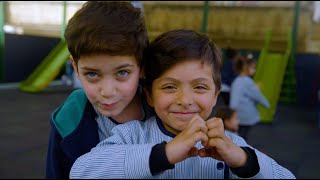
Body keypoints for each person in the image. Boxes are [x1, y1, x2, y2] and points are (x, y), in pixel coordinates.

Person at [69, 29, 295, 179]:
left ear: (216, 95)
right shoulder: (131, 135)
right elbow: (80, 172)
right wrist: (165, 153)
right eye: (169, 87)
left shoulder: (229, 145)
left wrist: (243, 160)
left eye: (200, 87)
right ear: (149, 95)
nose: (185, 101)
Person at [45, 1, 154, 179]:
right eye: (92, 74)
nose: (108, 92)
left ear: (141, 66)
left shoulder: (167, 107)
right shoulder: (69, 118)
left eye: (122, 72)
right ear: (75, 67)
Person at [230, 57, 270, 141]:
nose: (254, 70)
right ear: (246, 68)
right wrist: (267, 104)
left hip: (238, 114)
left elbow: (234, 101)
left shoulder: (236, 81)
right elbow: (257, 96)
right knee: (243, 136)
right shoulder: (248, 81)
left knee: (238, 135)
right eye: (253, 68)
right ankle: (242, 151)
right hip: (245, 115)